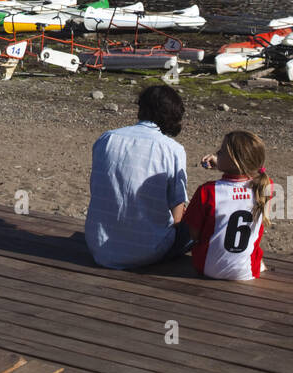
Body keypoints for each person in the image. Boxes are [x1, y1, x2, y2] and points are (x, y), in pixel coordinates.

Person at [84, 84, 190, 269]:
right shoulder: (173, 150)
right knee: (197, 224)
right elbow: (177, 210)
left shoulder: (106, 139)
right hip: (149, 251)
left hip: (98, 246)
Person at [185, 132, 273, 281]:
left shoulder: (208, 191)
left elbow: (194, 234)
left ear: (236, 161)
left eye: (222, 151)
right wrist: (223, 165)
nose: (217, 152)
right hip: (247, 272)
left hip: (207, 268)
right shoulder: (265, 186)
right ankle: (256, 263)